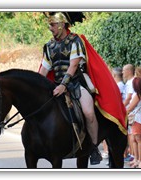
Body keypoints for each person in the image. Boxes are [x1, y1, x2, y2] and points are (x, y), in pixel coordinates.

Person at [39, 12, 127, 165]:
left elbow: (73, 66)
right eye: (49, 24)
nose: (50, 28)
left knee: (88, 112)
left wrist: (63, 85)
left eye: (52, 24)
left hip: (76, 83)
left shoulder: (75, 41)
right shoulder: (49, 46)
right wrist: (37, 85)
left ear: (61, 24)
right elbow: (44, 70)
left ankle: (93, 148)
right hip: (56, 85)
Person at [127, 77, 141, 168]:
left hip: (138, 118)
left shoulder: (137, 95)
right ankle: (136, 159)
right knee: (135, 139)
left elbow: (130, 107)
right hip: (140, 117)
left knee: (138, 139)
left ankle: (140, 160)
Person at [122, 64, 135, 162]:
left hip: (131, 110)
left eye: (124, 70)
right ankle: (132, 154)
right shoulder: (129, 82)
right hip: (129, 110)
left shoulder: (131, 82)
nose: (122, 72)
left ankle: (133, 155)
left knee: (133, 135)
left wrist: (121, 108)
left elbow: (129, 98)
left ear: (129, 71)